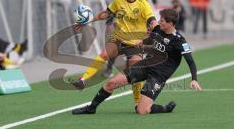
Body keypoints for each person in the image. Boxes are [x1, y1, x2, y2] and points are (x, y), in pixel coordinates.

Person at [72, 8, 202, 115]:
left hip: (158, 76)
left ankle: (164, 108)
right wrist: (142, 41)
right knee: (111, 83)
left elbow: (190, 61)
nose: (158, 22)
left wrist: (194, 79)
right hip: (145, 66)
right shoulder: (158, 30)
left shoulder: (179, 41)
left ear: (171, 24)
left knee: (141, 110)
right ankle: (91, 108)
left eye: (161, 21)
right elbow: (151, 38)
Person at [71, 0, 156, 106]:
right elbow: (106, 13)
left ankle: (137, 102)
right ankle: (83, 79)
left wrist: (154, 28)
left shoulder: (143, 4)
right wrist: (89, 19)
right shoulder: (119, 1)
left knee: (134, 72)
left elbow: (152, 21)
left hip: (135, 44)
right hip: (118, 38)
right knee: (104, 54)